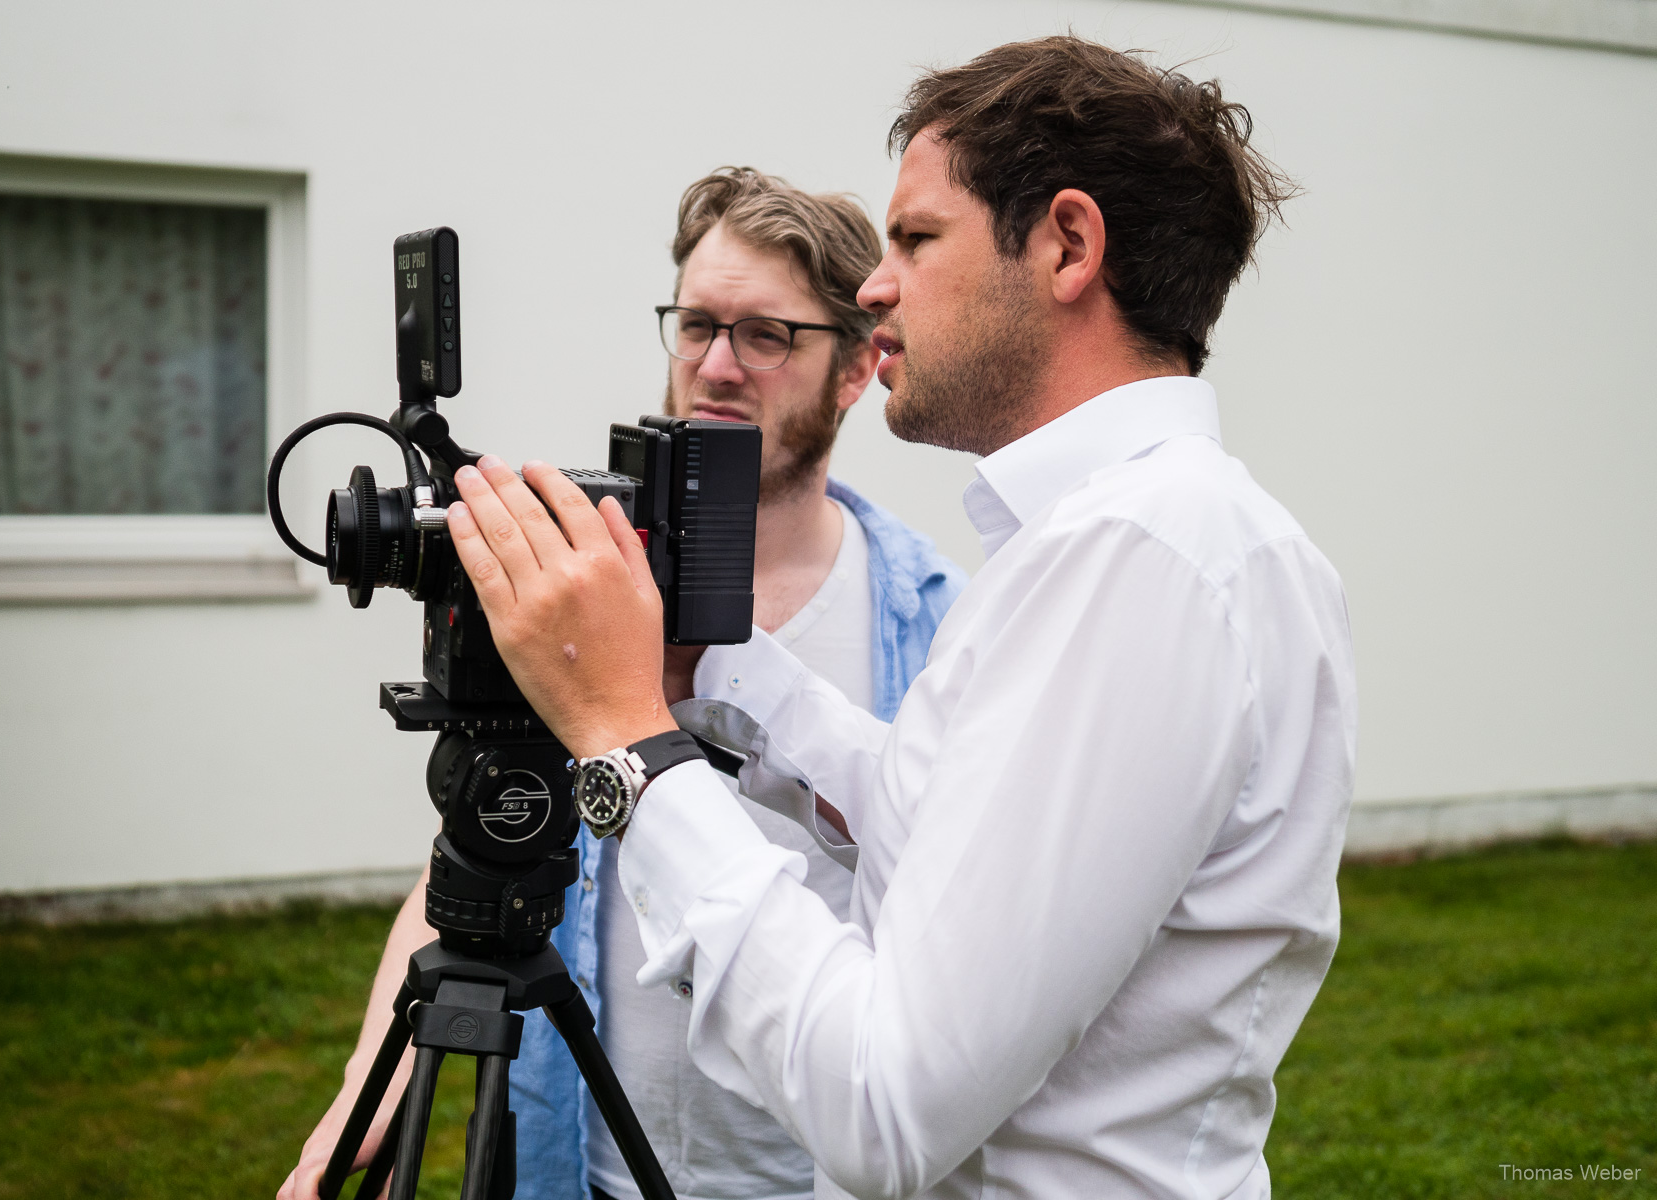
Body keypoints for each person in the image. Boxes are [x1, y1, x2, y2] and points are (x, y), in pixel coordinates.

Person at [433, 35, 1358, 1200]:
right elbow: (950, 841)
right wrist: (704, 670)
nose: (875, 288)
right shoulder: (1122, 539)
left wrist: (629, 738)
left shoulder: (1143, 557)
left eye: (917, 239)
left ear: (1069, 245)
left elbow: (883, 1105)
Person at [278, 167, 965, 1200]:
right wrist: (359, 1103)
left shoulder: (941, 624)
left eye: (766, 335)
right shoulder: (586, 590)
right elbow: (479, 844)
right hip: (587, 1166)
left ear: (859, 366)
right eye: (695, 324)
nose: (717, 366)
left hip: (828, 1176)